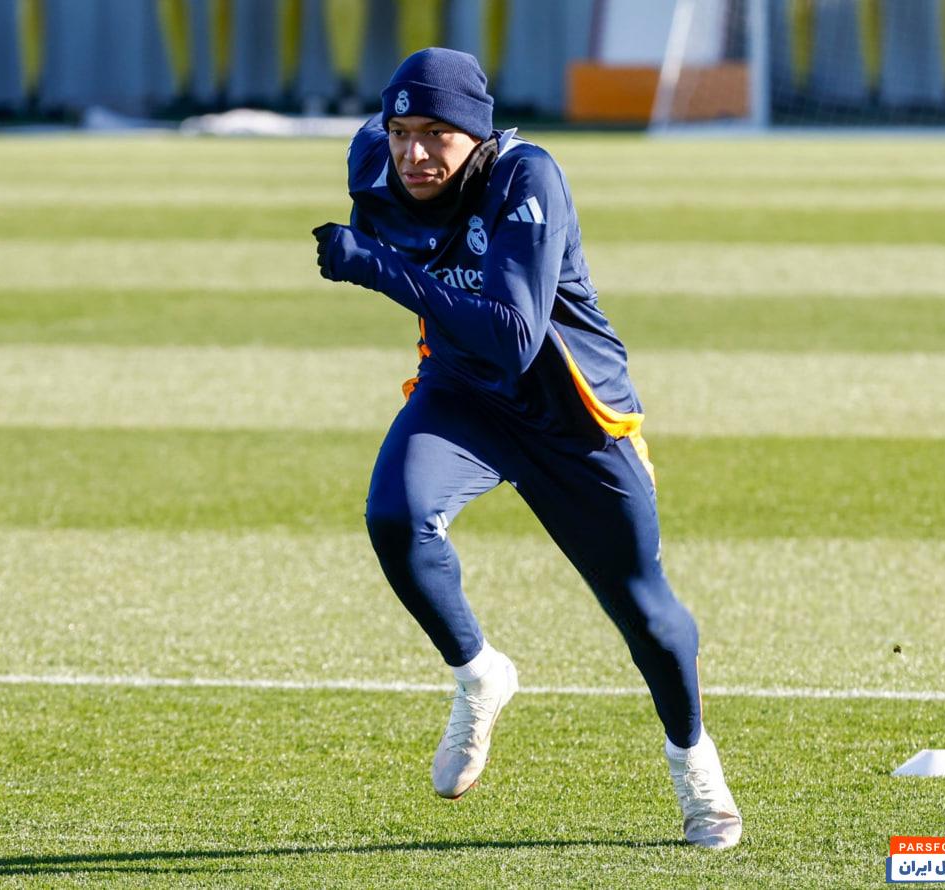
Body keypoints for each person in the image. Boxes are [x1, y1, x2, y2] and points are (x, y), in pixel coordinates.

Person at [312, 47, 741, 849]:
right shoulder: (371, 163)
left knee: (645, 612)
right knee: (395, 517)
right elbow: (411, 241)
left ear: (476, 134)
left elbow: (514, 336)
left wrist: (378, 270)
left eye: (436, 134)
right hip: (464, 396)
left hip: (572, 414)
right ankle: (479, 675)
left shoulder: (526, 177)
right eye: (401, 132)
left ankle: (693, 761)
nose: (413, 153)